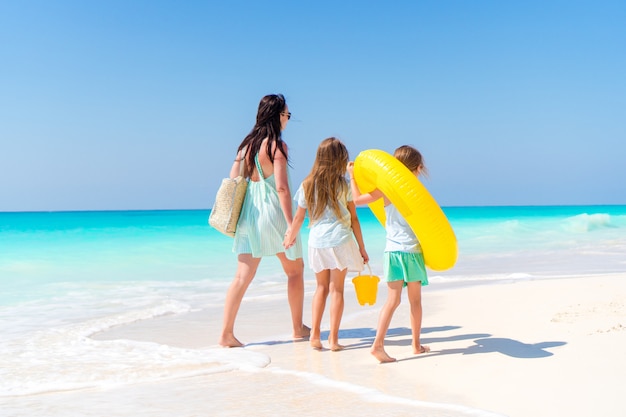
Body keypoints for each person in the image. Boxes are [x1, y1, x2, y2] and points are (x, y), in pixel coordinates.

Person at [219, 94, 309, 348]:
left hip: (249, 213)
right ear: (277, 115)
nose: (288, 120)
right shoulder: (277, 146)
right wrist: (292, 224)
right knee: (295, 271)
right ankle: (297, 327)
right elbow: (281, 189)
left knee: (241, 276)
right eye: (287, 115)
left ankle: (226, 333)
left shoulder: (245, 146)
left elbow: (234, 178)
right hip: (273, 212)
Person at [284, 137, 369, 351]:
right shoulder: (343, 184)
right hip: (340, 240)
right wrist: (361, 247)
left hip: (317, 242)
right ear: (339, 159)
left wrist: (290, 237)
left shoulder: (307, 184)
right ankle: (333, 339)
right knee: (337, 289)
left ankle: (314, 336)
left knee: (320, 288)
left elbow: (299, 218)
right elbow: (354, 218)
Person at [347, 145, 430, 363]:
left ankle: (378, 345)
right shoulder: (416, 192)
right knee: (415, 301)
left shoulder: (386, 189)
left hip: (392, 251)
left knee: (392, 301)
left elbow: (356, 201)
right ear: (417, 168)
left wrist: (352, 177)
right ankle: (415, 345)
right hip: (411, 251)